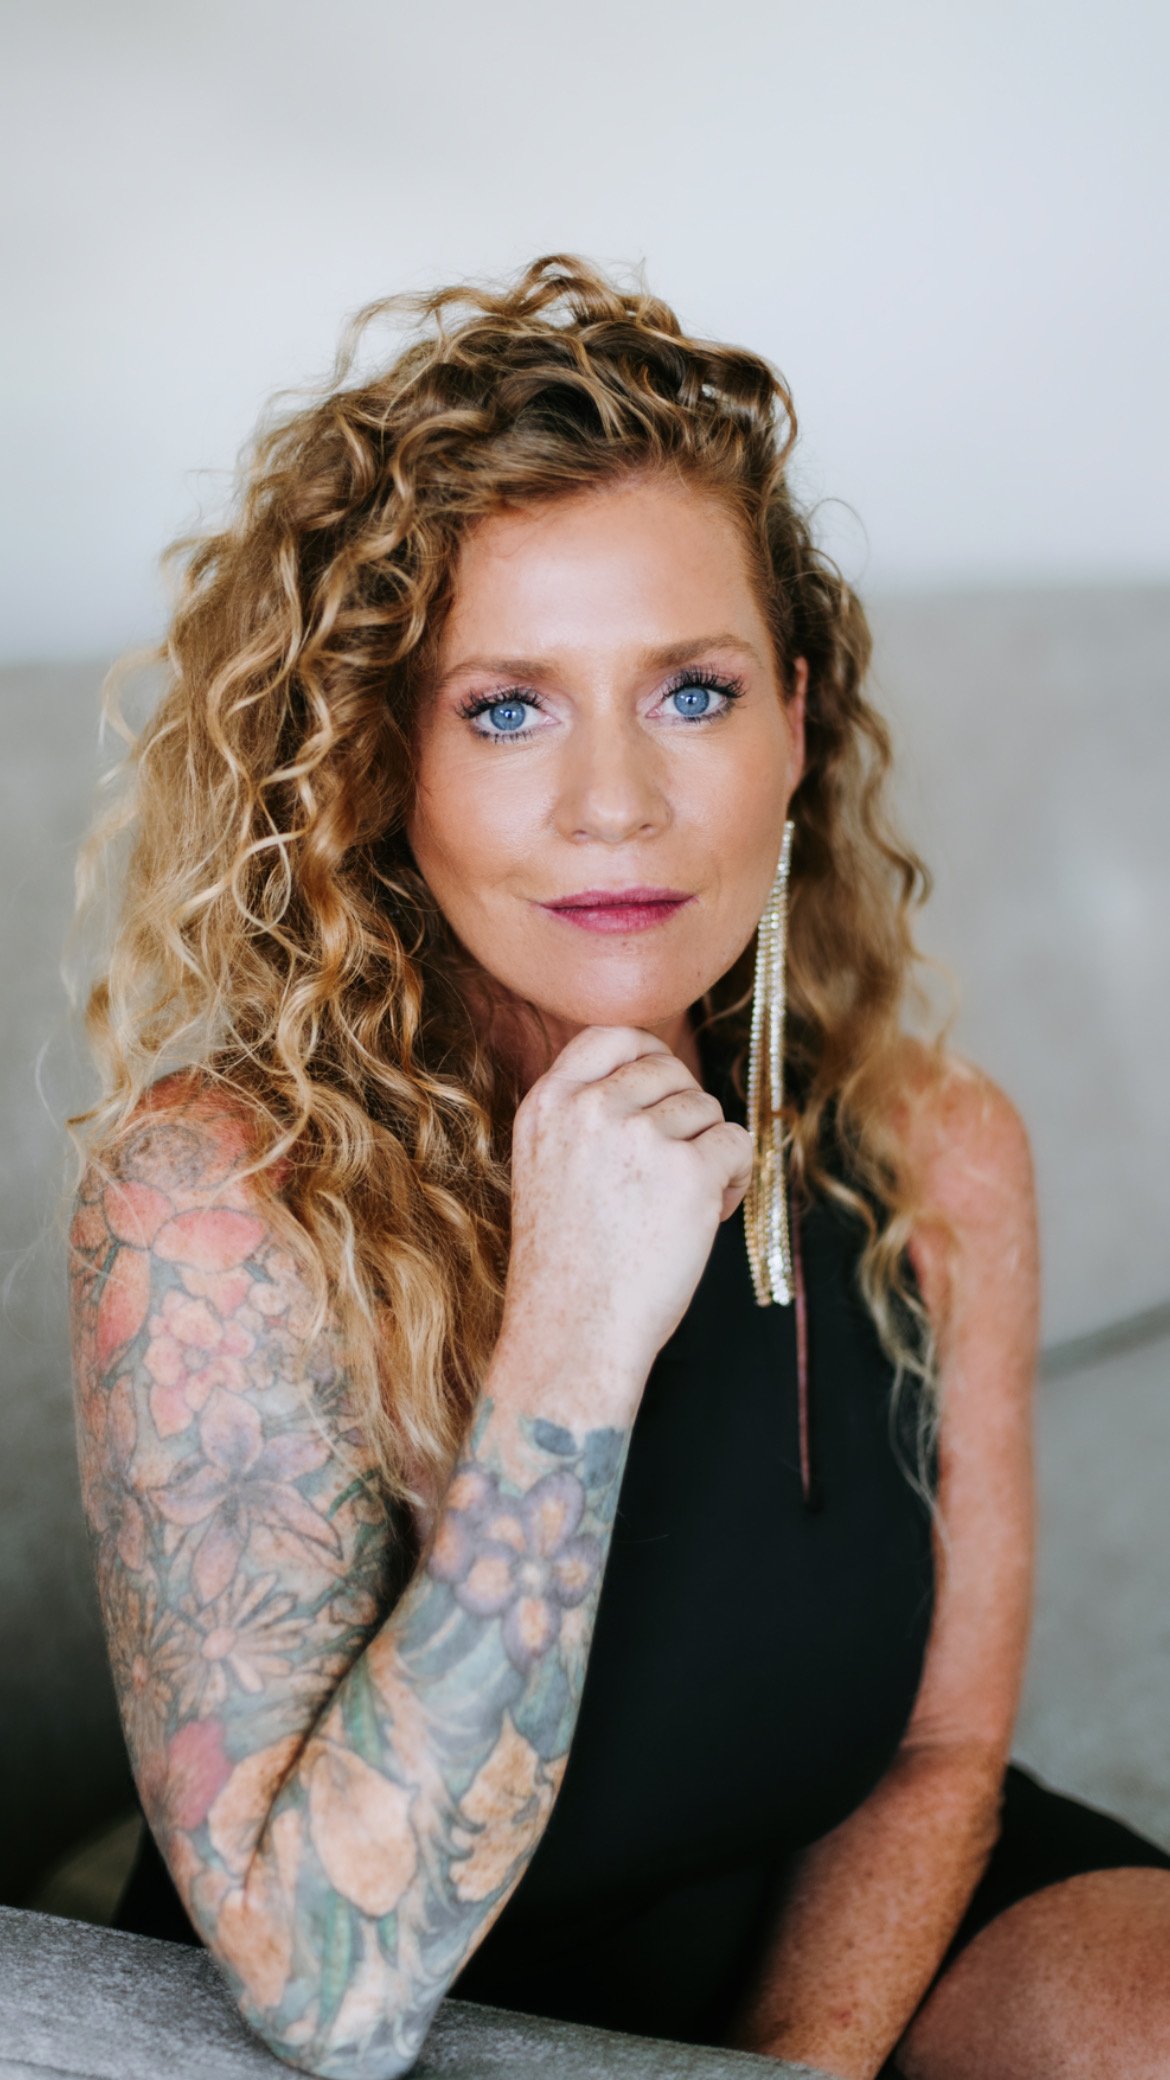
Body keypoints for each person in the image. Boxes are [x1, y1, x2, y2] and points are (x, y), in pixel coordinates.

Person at [69, 253, 1170, 2080]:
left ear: (795, 722)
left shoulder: (928, 1146)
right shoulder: (213, 1201)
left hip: (832, 1919)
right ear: (379, 758)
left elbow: (936, 1757)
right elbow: (327, 1994)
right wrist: (573, 1333)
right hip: (415, 1992)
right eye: (506, 706)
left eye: (691, 692)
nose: (615, 804)